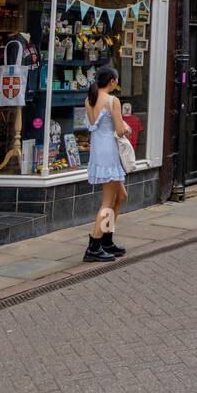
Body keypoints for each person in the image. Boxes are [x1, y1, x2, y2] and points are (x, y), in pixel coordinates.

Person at [83, 66, 131, 263]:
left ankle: (107, 239)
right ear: (112, 81)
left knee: (121, 196)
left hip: (97, 151)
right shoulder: (113, 101)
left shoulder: (90, 99)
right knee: (108, 201)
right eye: (116, 80)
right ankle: (94, 245)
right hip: (108, 152)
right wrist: (127, 128)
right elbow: (119, 130)